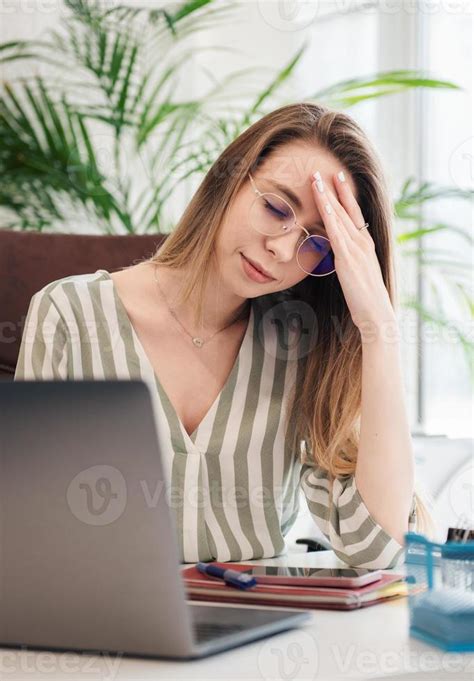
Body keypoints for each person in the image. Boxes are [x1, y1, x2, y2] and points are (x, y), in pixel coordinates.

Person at [14, 102, 429, 568]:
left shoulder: (300, 343)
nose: (281, 248)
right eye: (276, 208)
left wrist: (379, 329)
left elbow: (375, 547)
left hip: (258, 623)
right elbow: (28, 527)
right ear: (229, 181)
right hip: (100, 624)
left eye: (317, 243)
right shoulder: (69, 316)